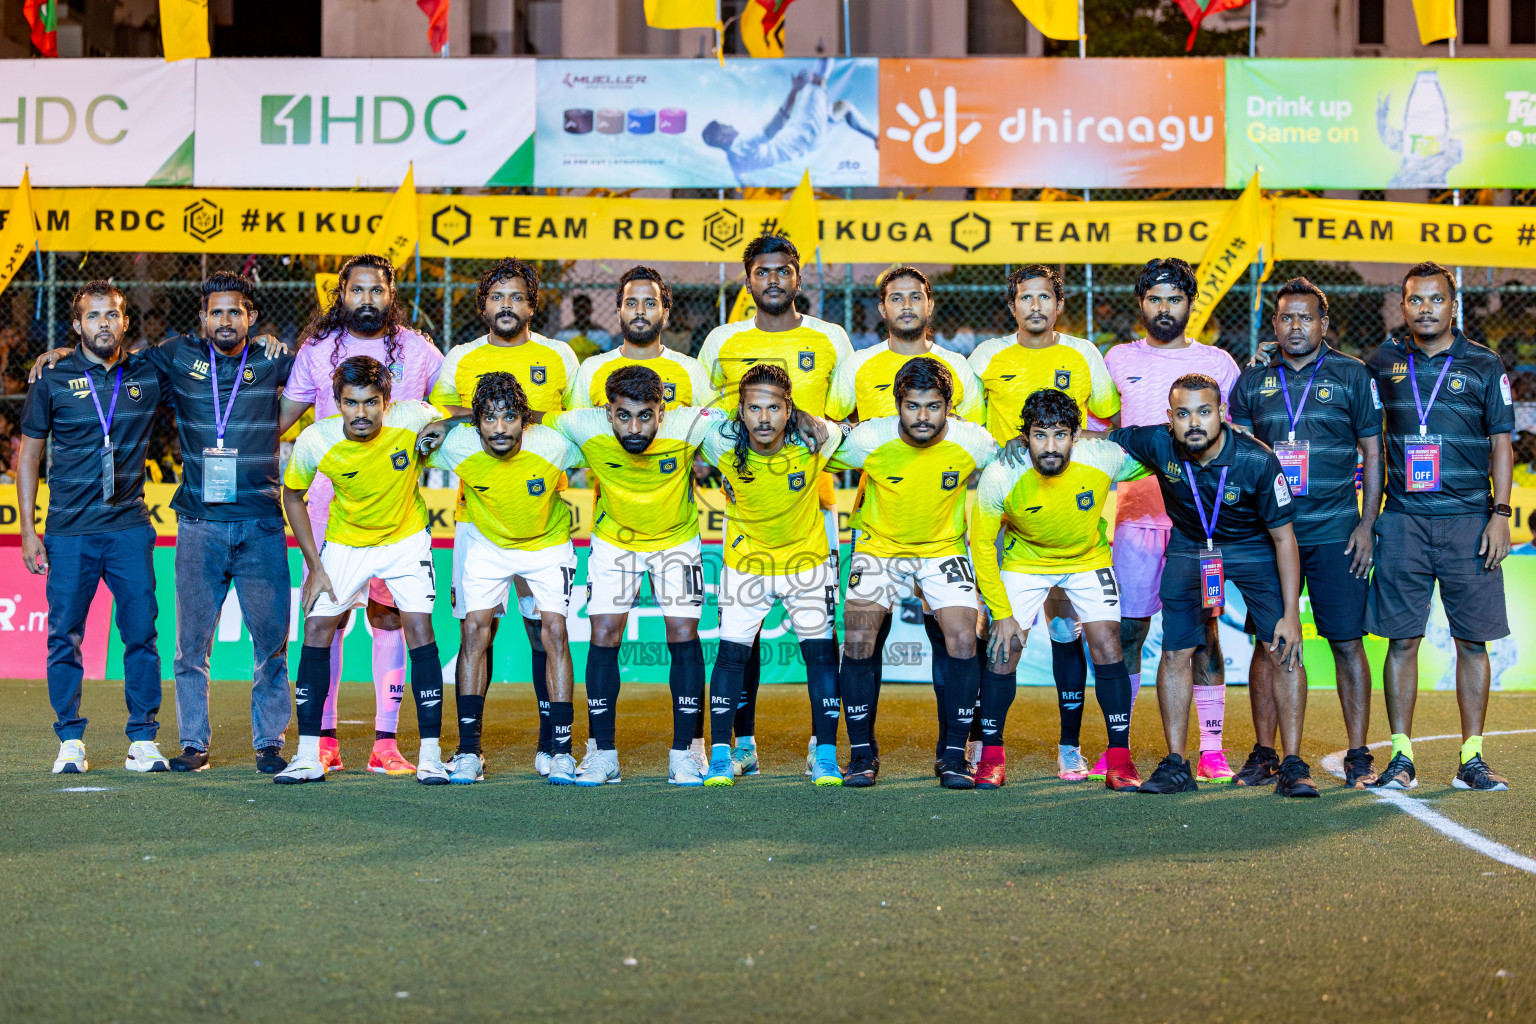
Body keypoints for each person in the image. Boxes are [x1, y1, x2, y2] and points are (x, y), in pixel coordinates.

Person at [281, 253, 444, 776]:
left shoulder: (418, 351)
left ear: (390, 292)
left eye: (377, 290)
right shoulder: (316, 349)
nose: (367, 299)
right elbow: (281, 416)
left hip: (396, 514)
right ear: (342, 293)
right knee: (329, 619)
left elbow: (455, 408)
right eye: (357, 290)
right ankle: (322, 740)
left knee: (390, 617)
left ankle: (386, 742)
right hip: (333, 518)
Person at [1107, 374, 1309, 795]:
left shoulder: (1257, 459)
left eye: (1203, 411)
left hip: (1255, 547)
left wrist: (1292, 614)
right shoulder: (1158, 443)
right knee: (1175, 651)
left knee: (1283, 648)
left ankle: (1291, 765)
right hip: (1190, 546)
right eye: (1183, 414)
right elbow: (1105, 437)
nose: (1193, 423)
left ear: (1222, 413)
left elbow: (1284, 539)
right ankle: (1177, 764)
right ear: (1169, 419)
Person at [697, 234, 852, 776]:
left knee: (819, 646)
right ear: (748, 280)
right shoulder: (722, 340)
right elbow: (697, 413)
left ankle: (823, 747)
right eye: (762, 272)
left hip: (811, 512)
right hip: (747, 525)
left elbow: (847, 420)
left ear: (798, 277)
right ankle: (737, 744)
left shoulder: (831, 339)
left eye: (783, 271)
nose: (773, 280)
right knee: (740, 646)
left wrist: (819, 427)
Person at [828, 265, 985, 775]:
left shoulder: (969, 422)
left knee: (962, 637)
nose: (922, 416)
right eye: (895, 298)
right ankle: (862, 753)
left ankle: (954, 753)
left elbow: (1004, 468)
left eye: (933, 407)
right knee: (859, 636)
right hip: (878, 541)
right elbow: (820, 443)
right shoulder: (869, 424)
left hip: (943, 546)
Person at [1364, 261, 1514, 792]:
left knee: (1472, 642)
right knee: (1401, 641)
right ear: (1402, 305)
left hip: (1470, 521)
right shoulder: (1383, 360)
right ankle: (1401, 757)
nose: (1425, 309)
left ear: (1454, 305)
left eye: (1435, 300)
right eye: (1415, 300)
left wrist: (1500, 514)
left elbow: (1501, 441)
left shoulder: (1482, 362)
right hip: (1403, 520)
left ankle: (1471, 757)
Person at [971, 264, 1122, 782]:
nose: (1034, 306)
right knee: (992, 634)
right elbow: (963, 420)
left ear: (1059, 304)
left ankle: (1069, 747)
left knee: (1067, 633)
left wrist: (1078, 455)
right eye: (1024, 298)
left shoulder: (1083, 353)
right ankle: (981, 743)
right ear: (1011, 305)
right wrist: (1000, 454)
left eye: (1044, 298)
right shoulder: (987, 356)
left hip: (1068, 511)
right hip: (1007, 505)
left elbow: (1107, 414)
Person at [429, 258, 579, 777]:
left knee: (545, 633)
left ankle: (552, 746)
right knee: (478, 631)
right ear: (483, 305)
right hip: (479, 519)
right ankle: (469, 748)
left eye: (517, 297)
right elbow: (442, 422)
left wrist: (535, 419)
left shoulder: (560, 356)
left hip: (542, 516)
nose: (507, 306)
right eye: (497, 297)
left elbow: (576, 424)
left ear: (532, 304)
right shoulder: (461, 358)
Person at [1230, 279, 1383, 789]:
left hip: (1338, 532)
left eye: (1305, 318)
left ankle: (1359, 752)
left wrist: (1367, 523)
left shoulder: (1352, 375)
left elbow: (1374, 453)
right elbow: (1240, 458)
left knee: (1346, 643)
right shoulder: (1252, 381)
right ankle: (1265, 751)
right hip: (1271, 538)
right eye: (1286, 318)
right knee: (1266, 644)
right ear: (1273, 324)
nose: (1296, 326)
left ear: (1323, 324)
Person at [18, 281, 169, 774]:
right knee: (64, 635)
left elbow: (205, 360)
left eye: (112, 315)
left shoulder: (149, 371)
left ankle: (143, 739)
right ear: (78, 325)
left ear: (126, 322)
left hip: (128, 528)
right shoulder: (53, 376)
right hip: (68, 531)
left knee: (142, 633)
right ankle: (70, 741)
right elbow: (30, 456)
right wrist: (28, 529)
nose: (103, 323)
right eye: (93, 316)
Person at [1103, 258, 1242, 784]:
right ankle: (1121, 749)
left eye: (1175, 300)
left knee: (1205, 633)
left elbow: (1232, 440)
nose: (1165, 309)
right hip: (1135, 521)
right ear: (1141, 304)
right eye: (1155, 299)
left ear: (1191, 304)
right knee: (1130, 633)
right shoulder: (1116, 359)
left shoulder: (1219, 364)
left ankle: (1211, 749)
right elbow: (1100, 442)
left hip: (1199, 526)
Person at [544, 366, 717, 786]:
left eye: (646, 416)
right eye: (624, 416)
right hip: (614, 540)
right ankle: (603, 755)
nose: (635, 427)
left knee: (683, 633)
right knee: (604, 633)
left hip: (675, 540)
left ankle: (685, 755)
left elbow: (742, 416)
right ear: (608, 412)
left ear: (663, 410)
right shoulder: (579, 424)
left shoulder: (690, 424)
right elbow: (532, 423)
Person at [972, 389, 1146, 791]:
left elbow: (1158, 453)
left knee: (1108, 646)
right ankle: (992, 758)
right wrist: (1000, 612)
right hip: (1026, 562)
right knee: (1004, 648)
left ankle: (1120, 759)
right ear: (1024, 436)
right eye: (1039, 435)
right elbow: (981, 544)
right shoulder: (1003, 473)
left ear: (1077, 434)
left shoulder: (1101, 457)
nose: (1050, 447)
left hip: (1087, 561)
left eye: (1060, 435)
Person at [702, 58, 876, 186]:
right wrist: (794, 91)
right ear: (722, 139)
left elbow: (744, 184)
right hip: (804, 134)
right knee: (816, 80)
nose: (731, 126)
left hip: (809, 146)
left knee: (843, 107)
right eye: (725, 127)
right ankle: (827, 41)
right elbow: (775, 127)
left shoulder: (734, 162)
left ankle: (877, 138)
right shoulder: (742, 143)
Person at [568, 267, 716, 411]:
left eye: (650, 304)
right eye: (631, 303)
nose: (640, 311)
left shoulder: (691, 370)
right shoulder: (591, 369)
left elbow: (715, 424)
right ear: (619, 315)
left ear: (665, 315)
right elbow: (572, 429)